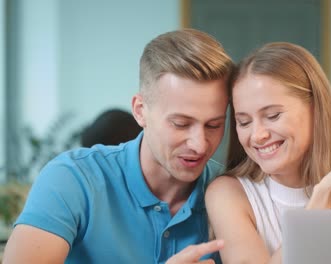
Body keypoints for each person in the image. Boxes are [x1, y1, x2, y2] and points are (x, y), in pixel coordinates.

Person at [3, 28, 233, 263]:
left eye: (214, 125)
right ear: (140, 111)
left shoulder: (231, 194)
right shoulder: (74, 179)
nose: (199, 144)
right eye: (181, 124)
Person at [205, 42, 331, 263]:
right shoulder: (228, 194)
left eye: (273, 116)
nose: (257, 135)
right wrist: (325, 194)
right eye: (243, 122)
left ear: (316, 109)